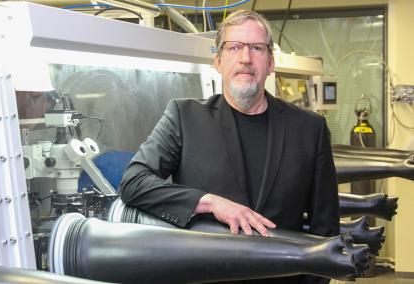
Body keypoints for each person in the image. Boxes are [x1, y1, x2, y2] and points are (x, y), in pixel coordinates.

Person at [120, 10, 339, 284]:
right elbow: (133, 183)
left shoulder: (310, 129)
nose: (245, 58)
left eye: (257, 48)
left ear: (270, 62)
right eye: (234, 47)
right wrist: (209, 202)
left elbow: (326, 229)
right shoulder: (184, 117)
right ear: (218, 60)